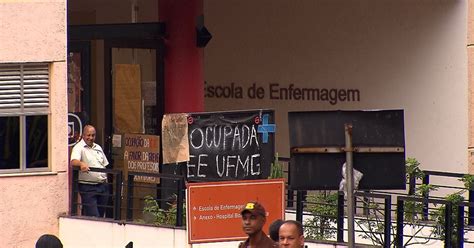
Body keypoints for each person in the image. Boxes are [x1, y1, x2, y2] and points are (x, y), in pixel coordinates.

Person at [70, 125, 109, 217]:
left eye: (93, 135)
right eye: (88, 135)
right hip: (88, 187)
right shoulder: (79, 147)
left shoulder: (98, 147)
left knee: (101, 215)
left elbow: (105, 164)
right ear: (83, 135)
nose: (90, 138)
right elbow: (73, 161)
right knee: (94, 216)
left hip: (102, 186)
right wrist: (81, 164)